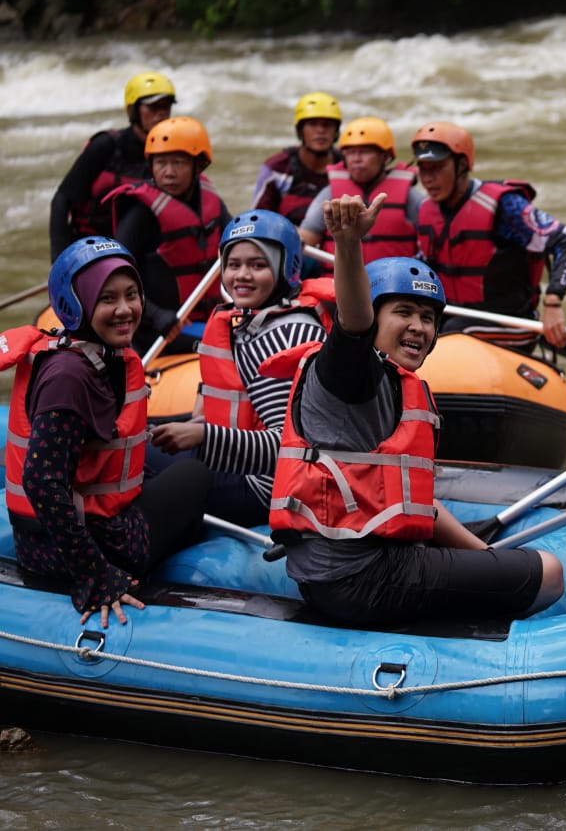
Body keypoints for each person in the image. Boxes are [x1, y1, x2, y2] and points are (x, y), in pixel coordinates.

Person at [261, 192, 564, 626]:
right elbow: (353, 328)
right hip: (360, 576)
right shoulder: (346, 370)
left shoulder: (394, 382)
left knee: (490, 559)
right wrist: (348, 245)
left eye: (428, 317)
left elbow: (420, 504)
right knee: (550, 574)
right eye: (403, 312)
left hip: (348, 569)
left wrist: (490, 559)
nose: (418, 328)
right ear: (374, 316)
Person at [2, 237, 212, 628]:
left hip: (64, 533)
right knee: (194, 476)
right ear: (75, 304)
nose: (125, 310)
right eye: (107, 299)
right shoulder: (67, 377)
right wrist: (94, 575)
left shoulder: (91, 352)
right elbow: (41, 484)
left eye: (131, 295)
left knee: (164, 468)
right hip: (78, 548)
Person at [146, 209, 334, 526]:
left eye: (257, 265)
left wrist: (202, 436)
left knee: (132, 460)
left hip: (269, 489)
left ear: (285, 267)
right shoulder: (253, 319)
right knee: (138, 441)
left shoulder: (287, 335)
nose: (241, 275)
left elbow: (295, 448)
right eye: (233, 265)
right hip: (244, 464)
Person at [411, 121, 566, 348]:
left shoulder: (504, 206)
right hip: (452, 317)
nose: (427, 178)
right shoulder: (427, 209)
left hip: (509, 323)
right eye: (423, 169)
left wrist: (553, 303)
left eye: (437, 168)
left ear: (462, 164)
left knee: (451, 333)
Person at [106, 115, 231, 353]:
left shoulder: (210, 199)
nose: (168, 172)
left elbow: (238, 244)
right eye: (161, 163)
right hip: (160, 328)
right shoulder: (140, 213)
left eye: (178, 163)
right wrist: (154, 314)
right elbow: (114, 275)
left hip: (209, 317)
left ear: (198, 166)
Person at [49, 71, 176, 261]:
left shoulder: (170, 153)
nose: (161, 114)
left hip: (137, 250)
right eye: (152, 107)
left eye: (165, 106)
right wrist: (60, 258)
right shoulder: (105, 146)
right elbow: (61, 200)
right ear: (133, 111)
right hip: (90, 248)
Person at [297, 116, 423, 266]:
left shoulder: (410, 196)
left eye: (364, 152)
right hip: (337, 285)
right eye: (350, 152)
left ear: (385, 157)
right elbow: (306, 238)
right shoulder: (329, 193)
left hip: (391, 285)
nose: (356, 159)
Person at [250, 91, 344, 226]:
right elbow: (257, 221)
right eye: (312, 124)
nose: (320, 131)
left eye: (327, 125)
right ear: (300, 130)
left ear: (336, 131)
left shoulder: (347, 167)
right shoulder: (277, 168)